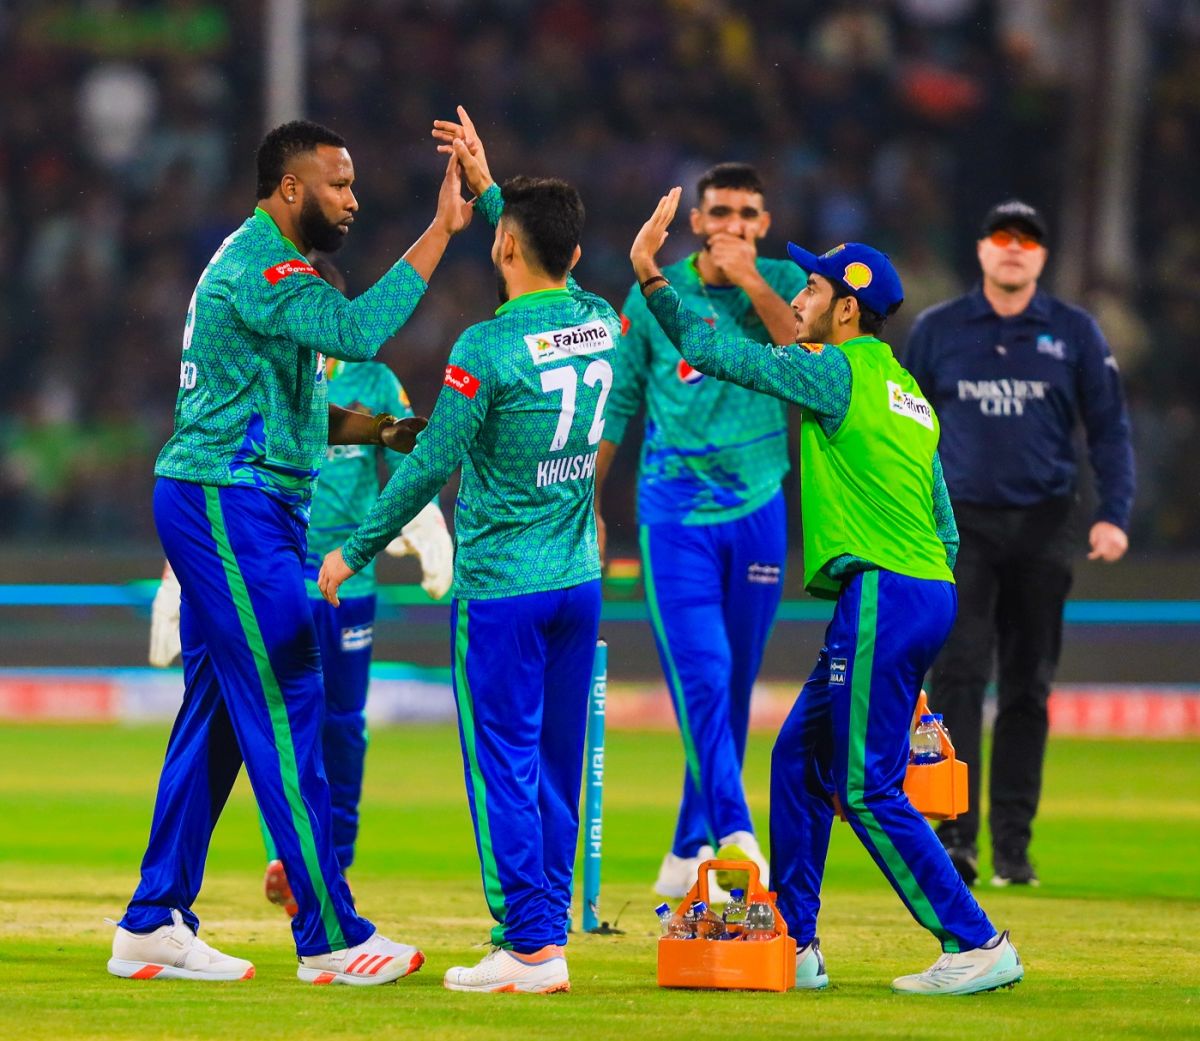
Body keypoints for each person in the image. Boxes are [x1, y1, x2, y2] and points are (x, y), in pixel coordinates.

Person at [630, 187, 1024, 996]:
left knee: (864, 783)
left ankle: (975, 938)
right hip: (917, 591)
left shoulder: (835, 372)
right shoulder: (906, 392)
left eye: (810, 288)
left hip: (884, 591)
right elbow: (943, 523)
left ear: (844, 309)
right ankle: (797, 944)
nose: (797, 296)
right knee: (796, 756)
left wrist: (652, 279)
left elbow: (724, 355)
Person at [110, 119, 472, 986]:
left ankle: (153, 920)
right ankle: (331, 935)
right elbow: (357, 330)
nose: (352, 199)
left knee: (223, 711)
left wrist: (383, 428)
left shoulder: (265, 270)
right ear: (289, 190)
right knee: (289, 690)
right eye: (338, 185)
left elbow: (293, 405)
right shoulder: (265, 267)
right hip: (229, 502)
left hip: (235, 498)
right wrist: (441, 233)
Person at [320, 108, 617, 995]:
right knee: (557, 763)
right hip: (577, 582)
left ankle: (525, 946)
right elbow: (540, 252)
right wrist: (492, 192)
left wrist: (356, 546)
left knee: (502, 764)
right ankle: (546, 928)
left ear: (507, 250)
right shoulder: (600, 319)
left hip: (503, 589)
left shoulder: (485, 347)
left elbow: (427, 465)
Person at [148, 255, 454, 918]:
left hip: (350, 578)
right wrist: (181, 573)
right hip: (273, 570)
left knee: (341, 725)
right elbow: (202, 462)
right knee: (275, 720)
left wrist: (419, 515)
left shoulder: (372, 378)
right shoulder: (261, 365)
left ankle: (331, 861)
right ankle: (290, 862)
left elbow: (396, 450)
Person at [903, 200, 1135, 888]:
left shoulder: (1076, 334)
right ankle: (956, 838)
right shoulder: (938, 331)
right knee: (958, 677)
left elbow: (1110, 429)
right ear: (981, 250)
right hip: (958, 527)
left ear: (1042, 257)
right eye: (1001, 236)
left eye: (1027, 240)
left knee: (1028, 686)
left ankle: (1012, 847)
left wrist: (1113, 512)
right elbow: (905, 427)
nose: (1013, 247)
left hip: (1043, 523)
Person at [596, 163, 805, 898]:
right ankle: (736, 837)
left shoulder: (781, 279)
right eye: (721, 212)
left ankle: (688, 844)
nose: (735, 226)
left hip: (757, 509)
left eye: (749, 213)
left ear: (764, 224)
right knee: (705, 676)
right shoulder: (655, 293)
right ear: (697, 221)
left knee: (733, 686)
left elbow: (807, 357)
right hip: (673, 513)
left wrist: (752, 281)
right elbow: (617, 401)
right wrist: (588, 503)